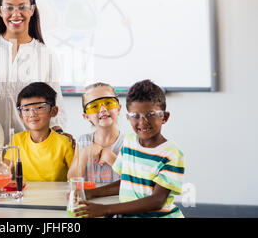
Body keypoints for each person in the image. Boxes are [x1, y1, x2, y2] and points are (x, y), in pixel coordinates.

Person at [0, 0, 67, 144]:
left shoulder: (45, 54)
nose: (16, 14)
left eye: (22, 7)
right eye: (9, 7)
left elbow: (56, 102)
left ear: (32, 9)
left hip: (31, 145)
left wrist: (58, 138)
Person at [74, 79, 185, 218]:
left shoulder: (172, 153)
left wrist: (105, 209)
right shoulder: (130, 142)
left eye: (150, 114)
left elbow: (157, 201)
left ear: (164, 117)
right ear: (128, 117)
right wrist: (89, 193)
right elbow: (126, 182)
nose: (143, 122)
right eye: (135, 116)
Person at [4, 82, 74, 181]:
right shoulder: (16, 140)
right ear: (21, 116)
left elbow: (77, 179)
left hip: (56, 196)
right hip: (26, 195)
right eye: (26, 109)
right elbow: (3, 170)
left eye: (39, 108)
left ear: (53, 111)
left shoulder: (65, 143)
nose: (32, 114)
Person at [67, 82, 124, 186]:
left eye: (108, 103)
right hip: (89, 201)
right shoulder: (83, 142)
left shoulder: (128, 143)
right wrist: (85, 153)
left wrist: (111, 158)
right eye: (94, 106)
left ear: (118, 108)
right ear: (86, 116)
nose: (103, 109)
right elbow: (72, 181)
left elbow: (135, 182)